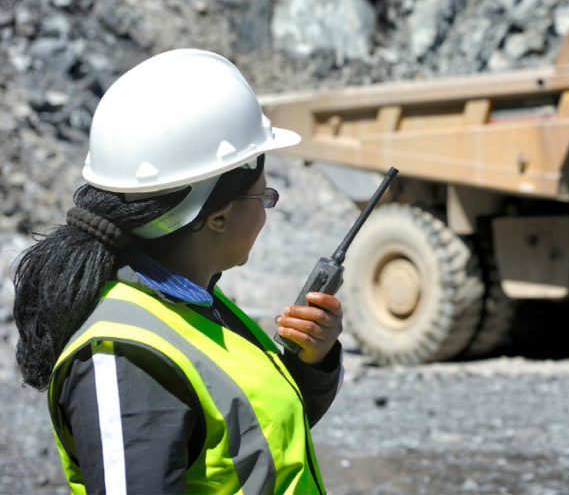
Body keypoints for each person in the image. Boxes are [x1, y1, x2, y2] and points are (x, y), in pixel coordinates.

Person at [13, 49, 342, 494]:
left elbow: (260, 441)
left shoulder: (194, 305)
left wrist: (313, 360)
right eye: (265, 197)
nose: (267, 210)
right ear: (218, 215)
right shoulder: (127, 359)